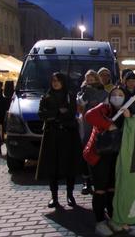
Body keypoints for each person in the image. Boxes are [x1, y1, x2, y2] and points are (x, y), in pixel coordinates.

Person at [84, 86, 133, 235]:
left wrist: (129, 117)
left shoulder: (126, 111)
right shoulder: (104, 108)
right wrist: (109, 124)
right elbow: (89, 115)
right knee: (100, 189)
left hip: (115, 156)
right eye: (114, 95)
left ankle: (113, 219)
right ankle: (100, 222)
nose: (117, 97)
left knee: (112, 188)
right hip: (98, 156)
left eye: (121, 95)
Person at [35, 72, 81, 208]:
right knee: (52, 167)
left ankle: (70, 195)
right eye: (53, 80)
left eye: (58, 80)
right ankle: (54, 197)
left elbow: (71, 113)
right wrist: (56, 113)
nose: (55, 83)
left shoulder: (70, 96)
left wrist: (57, 115)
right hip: (52, 135)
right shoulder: (46, 96)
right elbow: (41, 114)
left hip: (68, 134)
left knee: (69, 166)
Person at [76, 70, 108, 195]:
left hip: (98, 125)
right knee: (86, 150)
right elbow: (80, 106)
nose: (89, 82)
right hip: (85, 125)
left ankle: (97, 179)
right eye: (87, 80)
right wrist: (85, 96)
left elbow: (106, 107)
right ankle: (86, 180)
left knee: (98, 150)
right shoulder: (81, 92)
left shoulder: (103, 92)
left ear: (96, 80)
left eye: (92, 80)